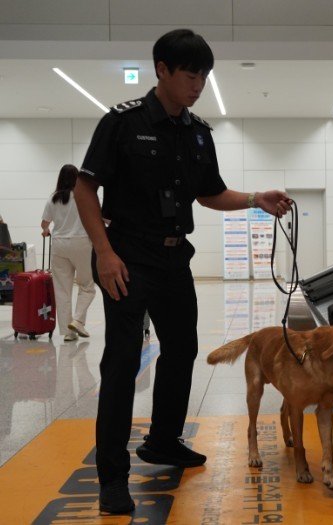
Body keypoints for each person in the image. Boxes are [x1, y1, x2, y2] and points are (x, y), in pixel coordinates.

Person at [73, 29, 291, 515]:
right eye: (190, 75)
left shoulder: (197, 132)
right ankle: (112, 477)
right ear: (162, 70)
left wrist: (256, 199)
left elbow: (210, 192)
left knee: (183, 349)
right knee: (123, 361)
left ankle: (164, 441)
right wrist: (105, 253)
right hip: (126, 256)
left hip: (174, 258)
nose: (198, 85)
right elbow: (85, 189)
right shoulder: (122, 123)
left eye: (204, 77)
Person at [41, 164, 96, 342]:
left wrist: (46, 231)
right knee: (87, 286)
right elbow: (99, 217)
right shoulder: (83, 196)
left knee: (62, 289)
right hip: (81, 243)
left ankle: (68, 332)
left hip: (59, 245)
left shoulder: (53, 198)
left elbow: (44, 224)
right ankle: (78, 321)